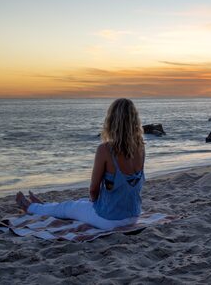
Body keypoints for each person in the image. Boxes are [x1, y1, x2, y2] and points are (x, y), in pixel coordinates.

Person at [15, 98, 146, 230]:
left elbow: (93, 190)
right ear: (134, 120)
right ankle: (44, 206)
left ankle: (30, 207)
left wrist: (94, 204)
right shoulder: (141, 148)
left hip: (109, 220)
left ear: (111, 121)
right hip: (133, 217)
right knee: (80, 203)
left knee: (70, 206)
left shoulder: (105, 150)